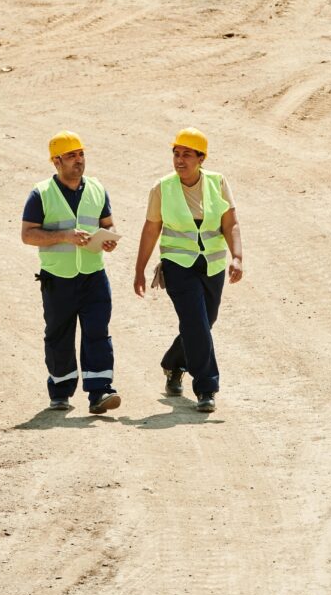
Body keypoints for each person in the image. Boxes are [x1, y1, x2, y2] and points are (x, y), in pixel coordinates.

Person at [134, 128, 243, 413]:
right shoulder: (162, 187)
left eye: (186, 155)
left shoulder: (217, 182)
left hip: (212, 265)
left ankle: (173, 363)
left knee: (205, 322)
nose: (179, 160)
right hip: (178, 267)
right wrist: (139, 269)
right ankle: (207, 387)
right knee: (196, 323)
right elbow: (151, 229)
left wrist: (237, 257)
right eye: (176, 153)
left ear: (201, 158)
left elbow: (230, 222)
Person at [21, 131, 121, 414]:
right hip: (57, 278)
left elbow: (108, 223)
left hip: (93, 274)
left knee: (97, 332)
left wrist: (110, 238)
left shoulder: (97, 189)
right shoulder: (41, 193)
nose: (78, 161)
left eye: (81, 154)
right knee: (58, 334)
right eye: (71, 156)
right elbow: (28, 235)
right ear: (56, 161)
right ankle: (60, 392)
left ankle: (100, 392)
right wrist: (64, 236)